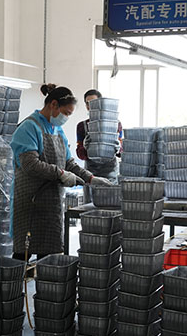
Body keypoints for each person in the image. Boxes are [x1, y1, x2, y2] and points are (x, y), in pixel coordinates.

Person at [10, 84, 113, 261]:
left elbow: (69, 163)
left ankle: (44, 280)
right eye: (66, 113)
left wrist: (91, 178)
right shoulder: (28, 128)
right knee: (23, 253)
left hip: (52, 203)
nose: (66, 118)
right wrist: (60, 174)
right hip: (31, 201)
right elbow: (30, 164)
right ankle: (14, 280)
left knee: (48, 254)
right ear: (53, 105)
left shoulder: (57, 130)